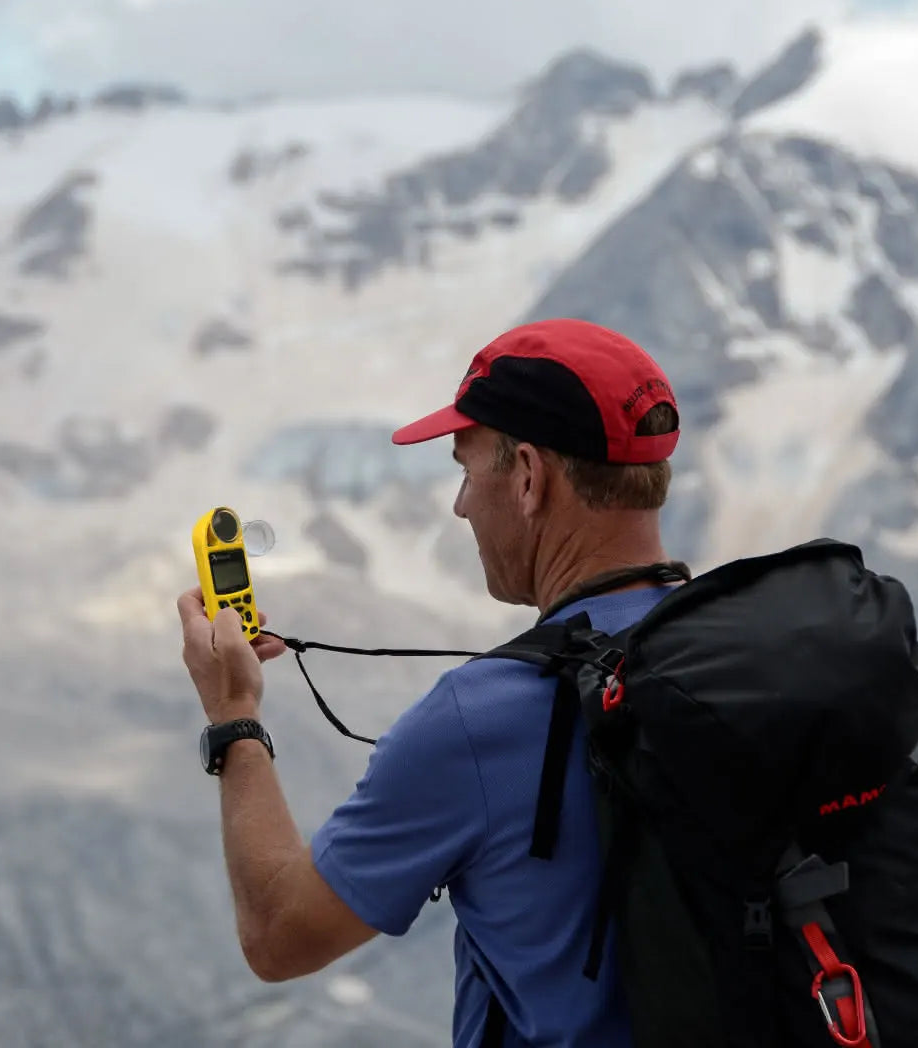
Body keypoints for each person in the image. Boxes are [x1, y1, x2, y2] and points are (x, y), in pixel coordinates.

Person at [177, 317, 684, 1048]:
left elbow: (278, 936)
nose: (459, 505)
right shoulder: (766, 654)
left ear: (530, 478)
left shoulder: (480, 719)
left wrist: (234, 716)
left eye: (465, 469)